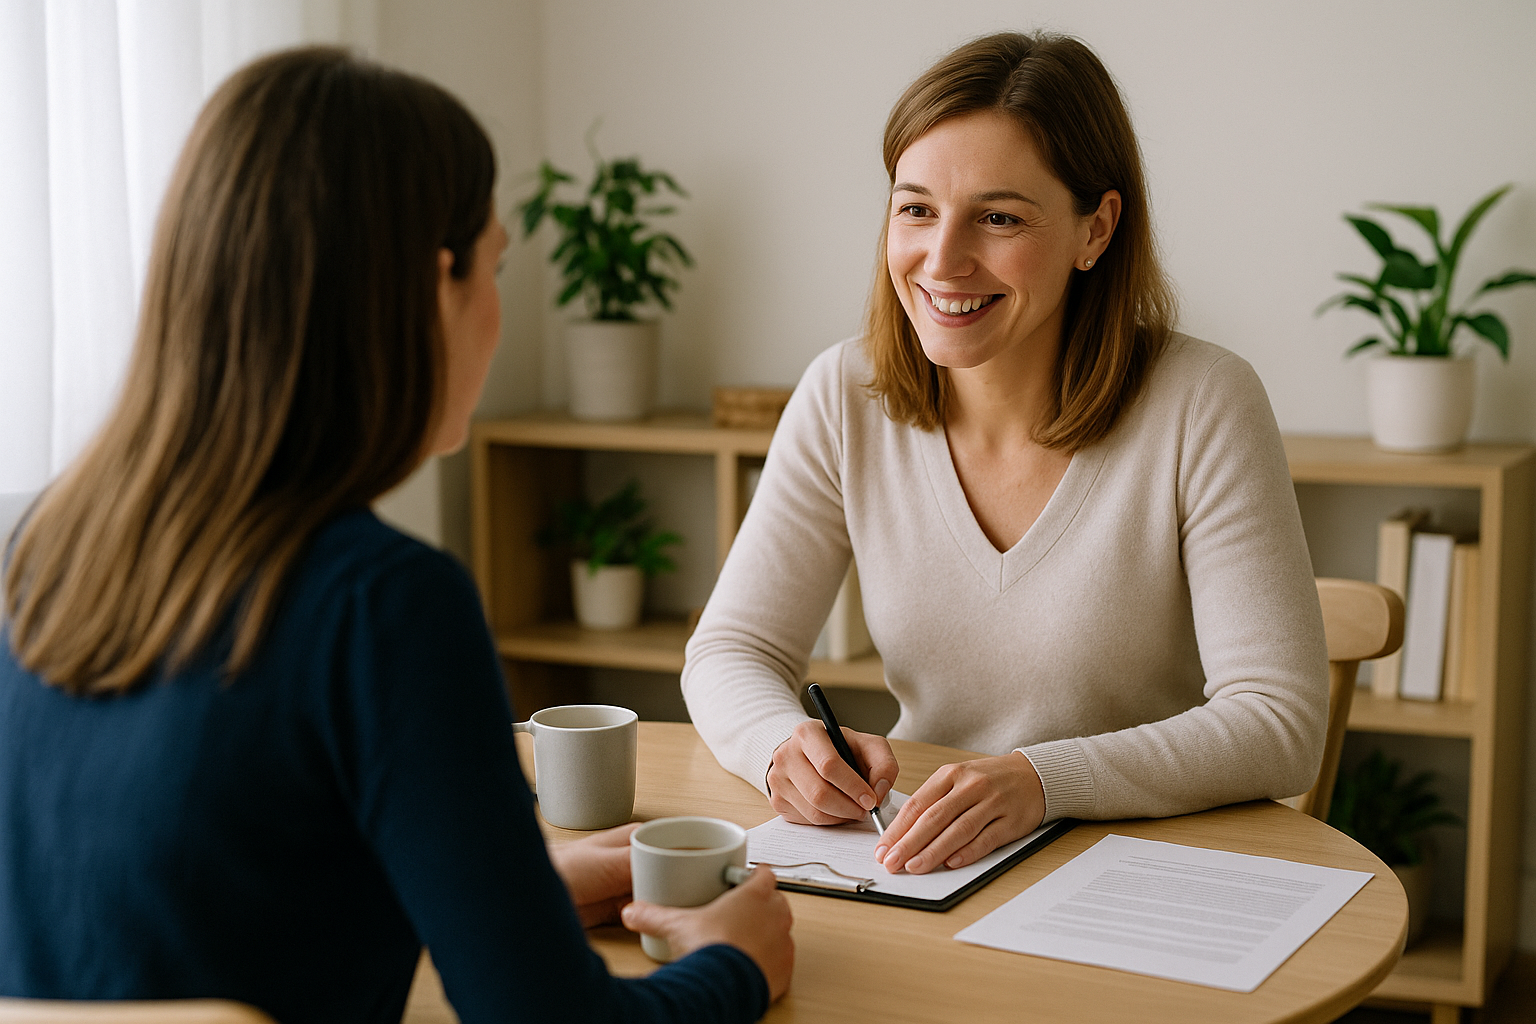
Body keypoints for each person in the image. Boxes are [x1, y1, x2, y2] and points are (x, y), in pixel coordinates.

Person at [0, 47, 791, 1024]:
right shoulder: (382, 602)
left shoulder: (40, 551)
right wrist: (734, 961)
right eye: (496, 266)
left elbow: (198, 889)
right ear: (434, 283)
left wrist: (493, 882)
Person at [682, 31, 1328, 878]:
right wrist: (779, 749)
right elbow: (732, 650)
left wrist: (1041, 780)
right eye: (915, 208)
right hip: (923, 857)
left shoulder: (1203, 400)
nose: (942, 261)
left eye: (997, 217)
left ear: (1095, 230)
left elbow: (1279, 723)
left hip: (1141, 861)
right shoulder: (845, 393)